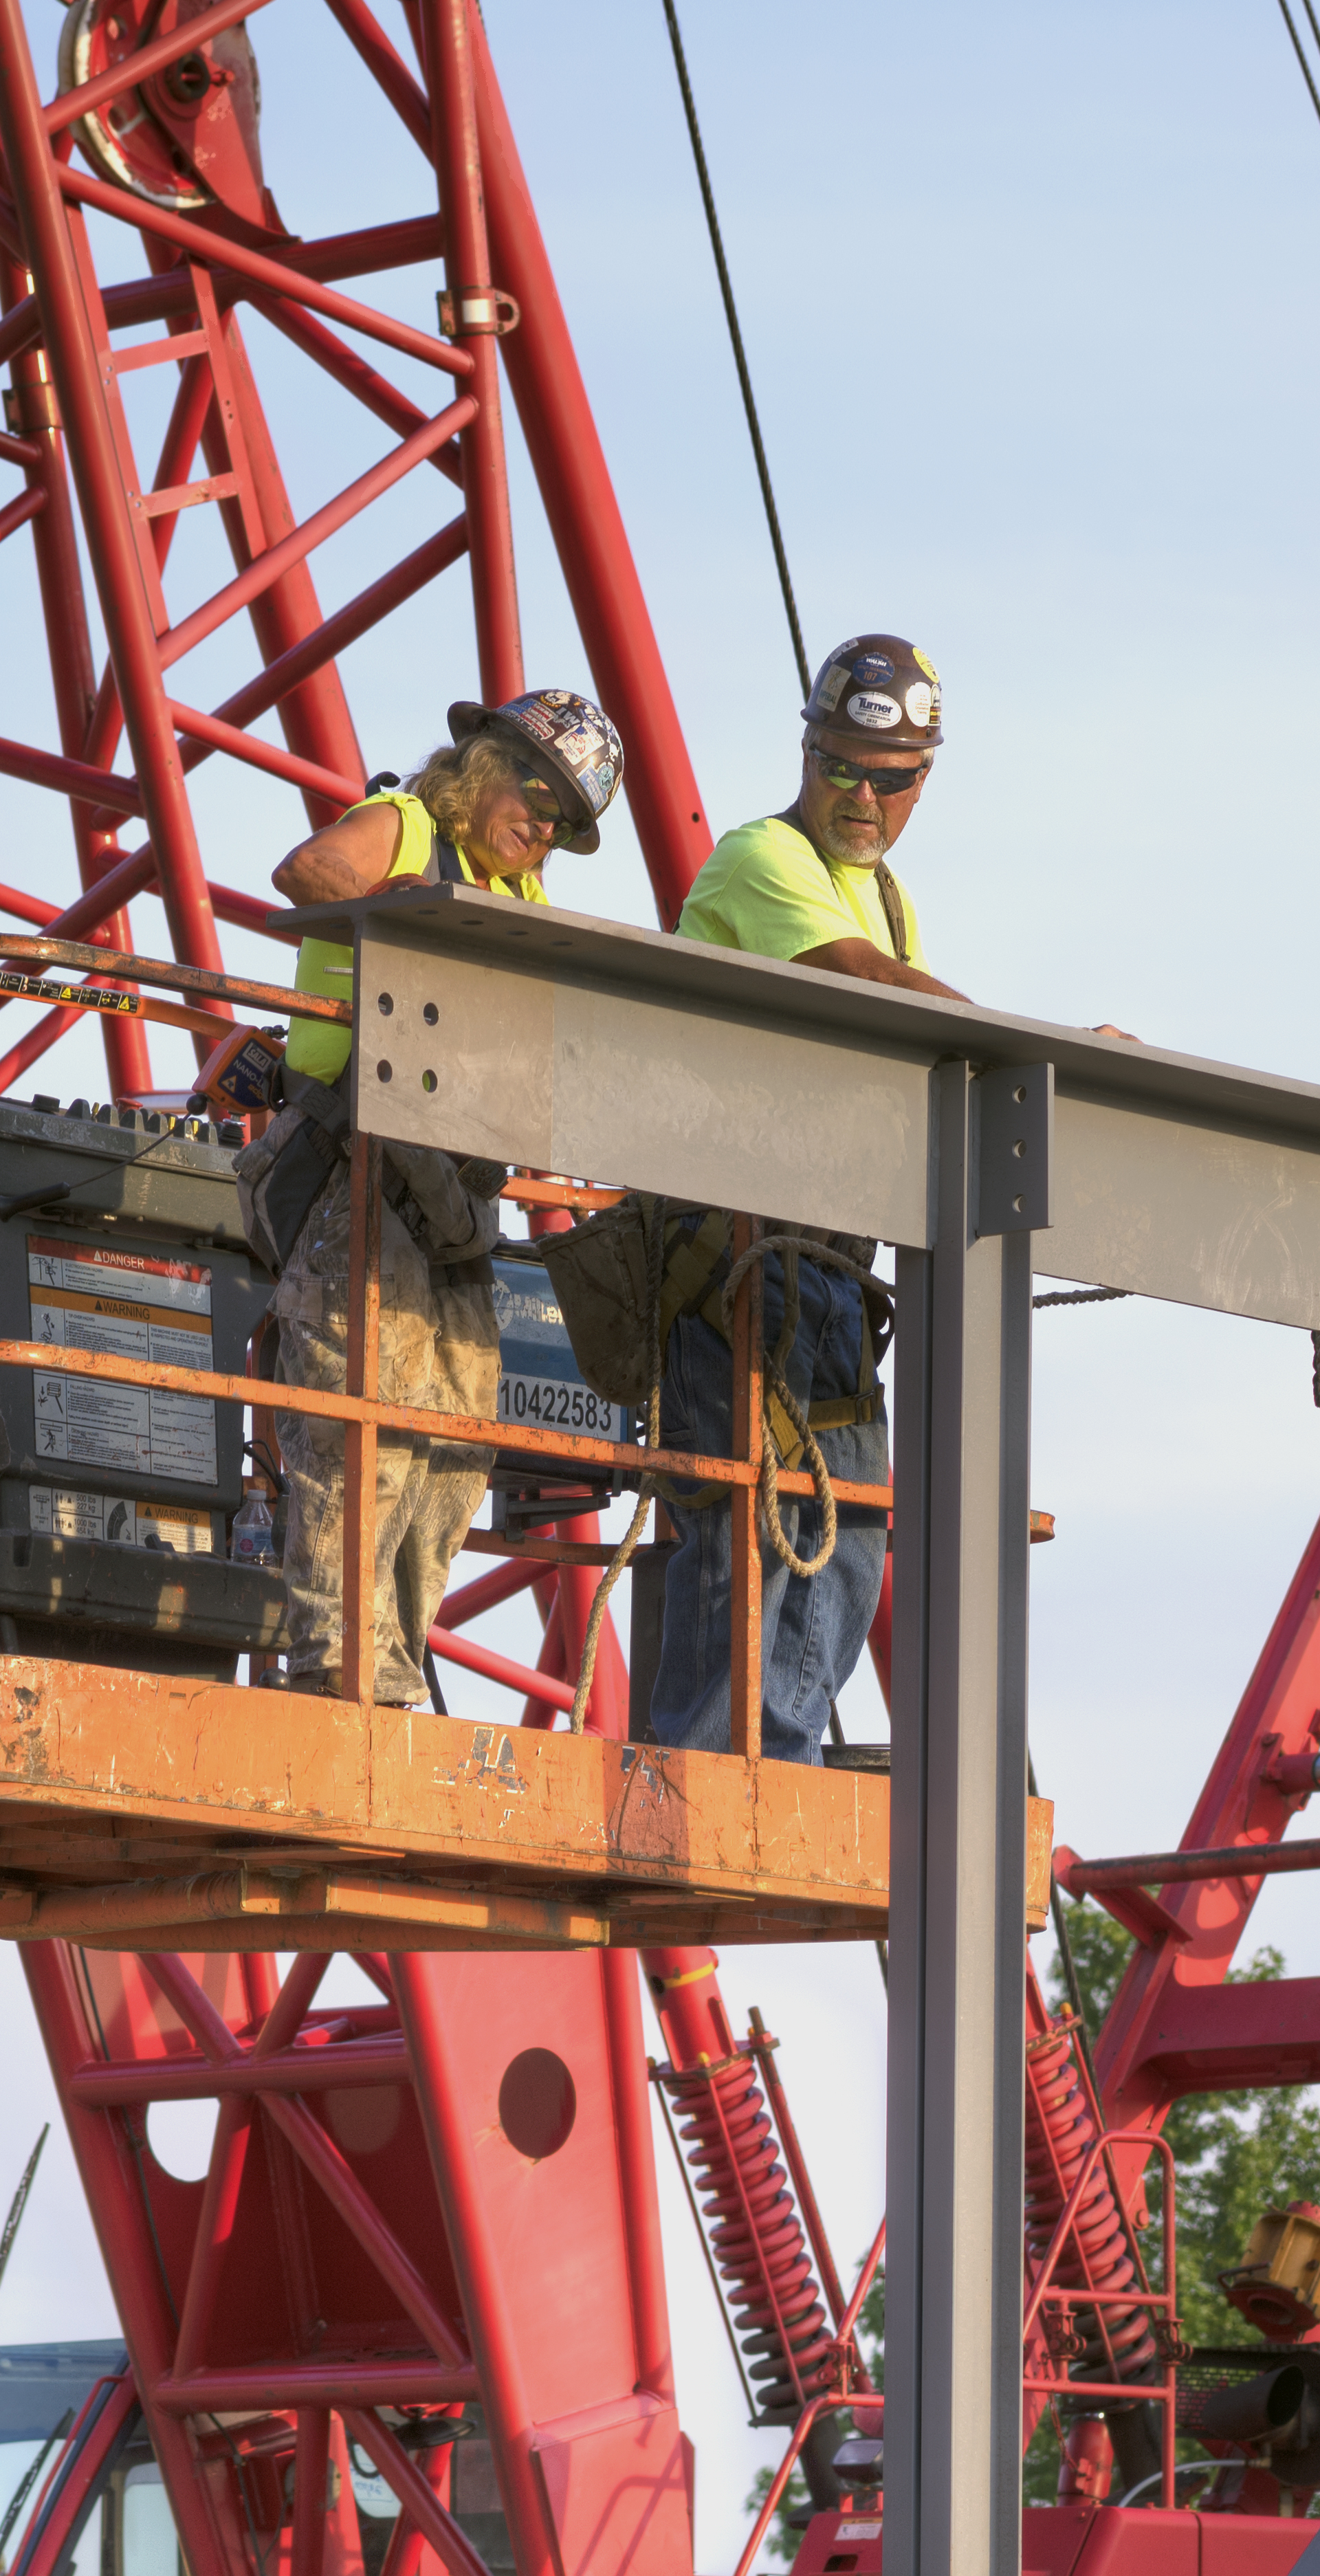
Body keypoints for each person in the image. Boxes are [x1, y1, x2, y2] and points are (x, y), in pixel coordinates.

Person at [239, 689, 628, 1702]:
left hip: (452, 1197)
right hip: (354, 1175)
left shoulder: (526, 898)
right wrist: (421, 908)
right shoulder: (407, 823)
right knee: (362, 1422)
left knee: (456, 1436)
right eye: (537, 795)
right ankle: (337, 1663)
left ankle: (396, 1664)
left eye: (562, 822)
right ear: (483, 764)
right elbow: (312, 870)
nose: (541, 827)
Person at [637, 632, 962, 1759]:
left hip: (824, 1269)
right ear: (809, 749)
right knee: (747, 1522)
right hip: (734, 1259)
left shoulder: (890, 899)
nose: (863, 797)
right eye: (844, 767)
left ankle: (786, 1752)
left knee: (854, 1522)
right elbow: (863, 988)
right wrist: (1051, 1054)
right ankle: (710, 1762)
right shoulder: (760, 859)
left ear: (926, 777)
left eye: (893, 777)